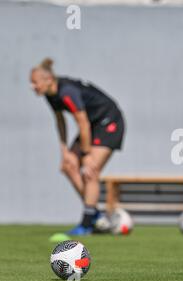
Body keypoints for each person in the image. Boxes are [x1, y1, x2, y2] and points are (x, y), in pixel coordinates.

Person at [30, 58, 125, 235]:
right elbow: (60, 120)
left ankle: (87, 224)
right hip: (91, 125)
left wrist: (87, 155)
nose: (32, 86)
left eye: (35, 82)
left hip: (108, 121)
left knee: (91, 171)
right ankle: (96, 215)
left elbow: (82, 122)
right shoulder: (50, 95)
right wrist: (64, 150)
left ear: (48, 79)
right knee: (68, 165)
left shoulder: (67, 92)